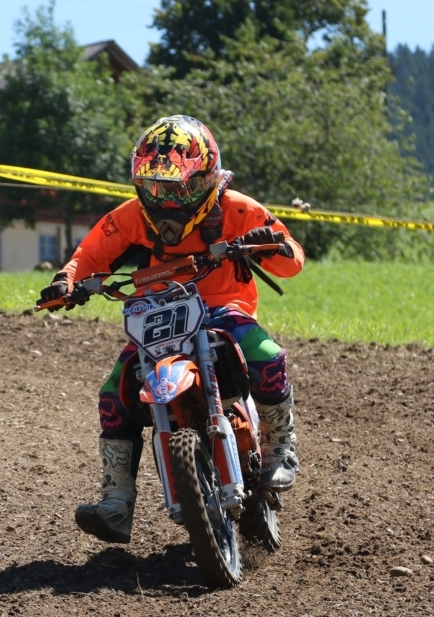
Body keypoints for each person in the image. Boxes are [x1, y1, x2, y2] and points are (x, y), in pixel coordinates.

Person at [38, 115, 305, 545]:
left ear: (206, 179)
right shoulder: (131, 216)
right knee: (113, 394)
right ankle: (117, 500)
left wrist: (269, 243)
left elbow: (292, 260)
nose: (165, 200)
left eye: (178, 189)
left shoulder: (238, 208)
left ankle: (280, 448)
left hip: (223, 309)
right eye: (155, 188)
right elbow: (90, 253)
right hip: (157, 316)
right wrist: (67, 281)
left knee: (267, 355)